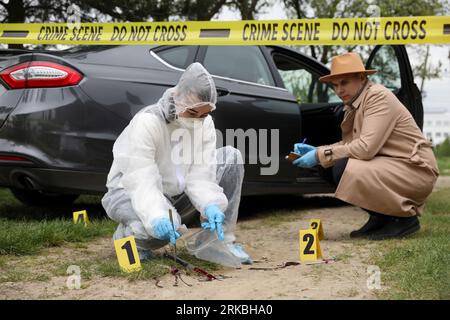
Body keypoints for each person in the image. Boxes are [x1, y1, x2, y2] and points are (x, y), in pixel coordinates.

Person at [101, 62, 251, 266]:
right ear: (180, 96)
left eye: (204, 114)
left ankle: (216, 241)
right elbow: (141, 180)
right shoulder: (148, 122)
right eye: (192, 113)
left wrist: (211, 205)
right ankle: (130, 237)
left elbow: (200, 174)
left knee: (230, 156)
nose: (198, 120)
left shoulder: (205, 124)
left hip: (173, 192)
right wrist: (157, 216)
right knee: (157, 228)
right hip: (127, 190)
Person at [292, 52, 439, 240]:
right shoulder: (357, 101)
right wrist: (318, 151)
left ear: (361, 78)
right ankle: (380, 217)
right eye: (335, 85)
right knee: (326, 164)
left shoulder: (377, 97)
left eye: (344, 83)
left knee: (340, 166)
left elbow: (365, 148)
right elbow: (349, 144)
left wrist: (323, 153)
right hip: (396, 166)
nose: (338, 90)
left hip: (415, 171)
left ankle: (402, 220)